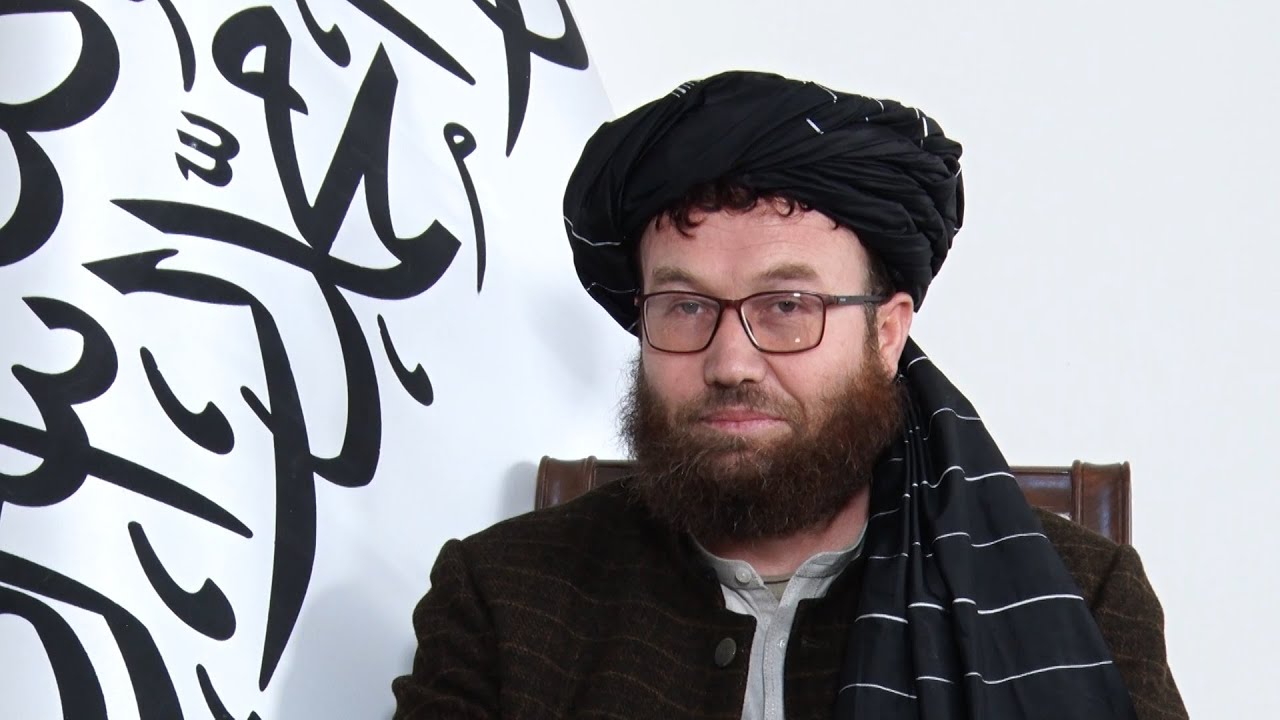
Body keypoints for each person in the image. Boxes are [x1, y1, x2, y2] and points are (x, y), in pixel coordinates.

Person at [391, 71, 1187, 720]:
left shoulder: (1082, 595)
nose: (731, 361)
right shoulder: (504, 597)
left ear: (886, 334)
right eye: (686, 307)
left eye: (787, 307)